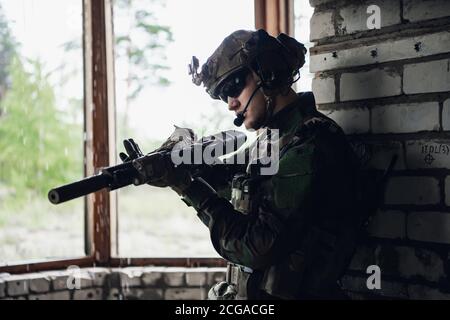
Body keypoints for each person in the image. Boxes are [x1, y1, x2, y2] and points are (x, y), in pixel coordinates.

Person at [121, 29, 362, 300]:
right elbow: (233, 184)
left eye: (234, 87)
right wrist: (177, 163)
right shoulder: (273, 140)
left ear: (268, 73)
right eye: (223, 96)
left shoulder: (310, 144)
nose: (230, 104)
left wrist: (187, 186)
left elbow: (256, 247)